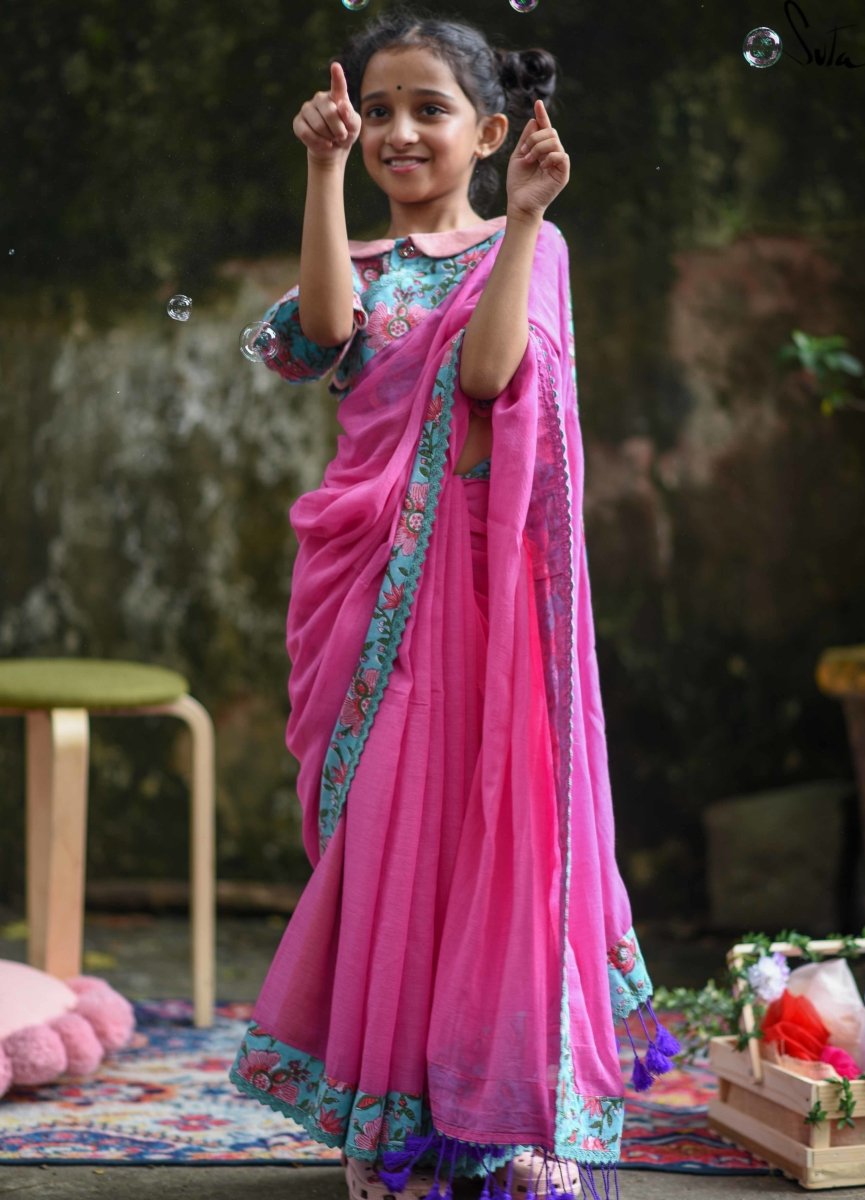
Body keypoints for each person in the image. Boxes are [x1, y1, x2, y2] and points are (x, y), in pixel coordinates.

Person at [229, 10, 677, 1200]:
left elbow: (488, 375)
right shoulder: (363, 264)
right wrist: (322, 170)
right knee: (389, 833)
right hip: (369, 585)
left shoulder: (533, 244)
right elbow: (323, 334)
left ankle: (506, 1113)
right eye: (377, 109)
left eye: (429, 109)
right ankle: (389, 1123)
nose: (398, 131)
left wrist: (520, 219)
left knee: (496, 831)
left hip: (487, 589)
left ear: (488, 132)